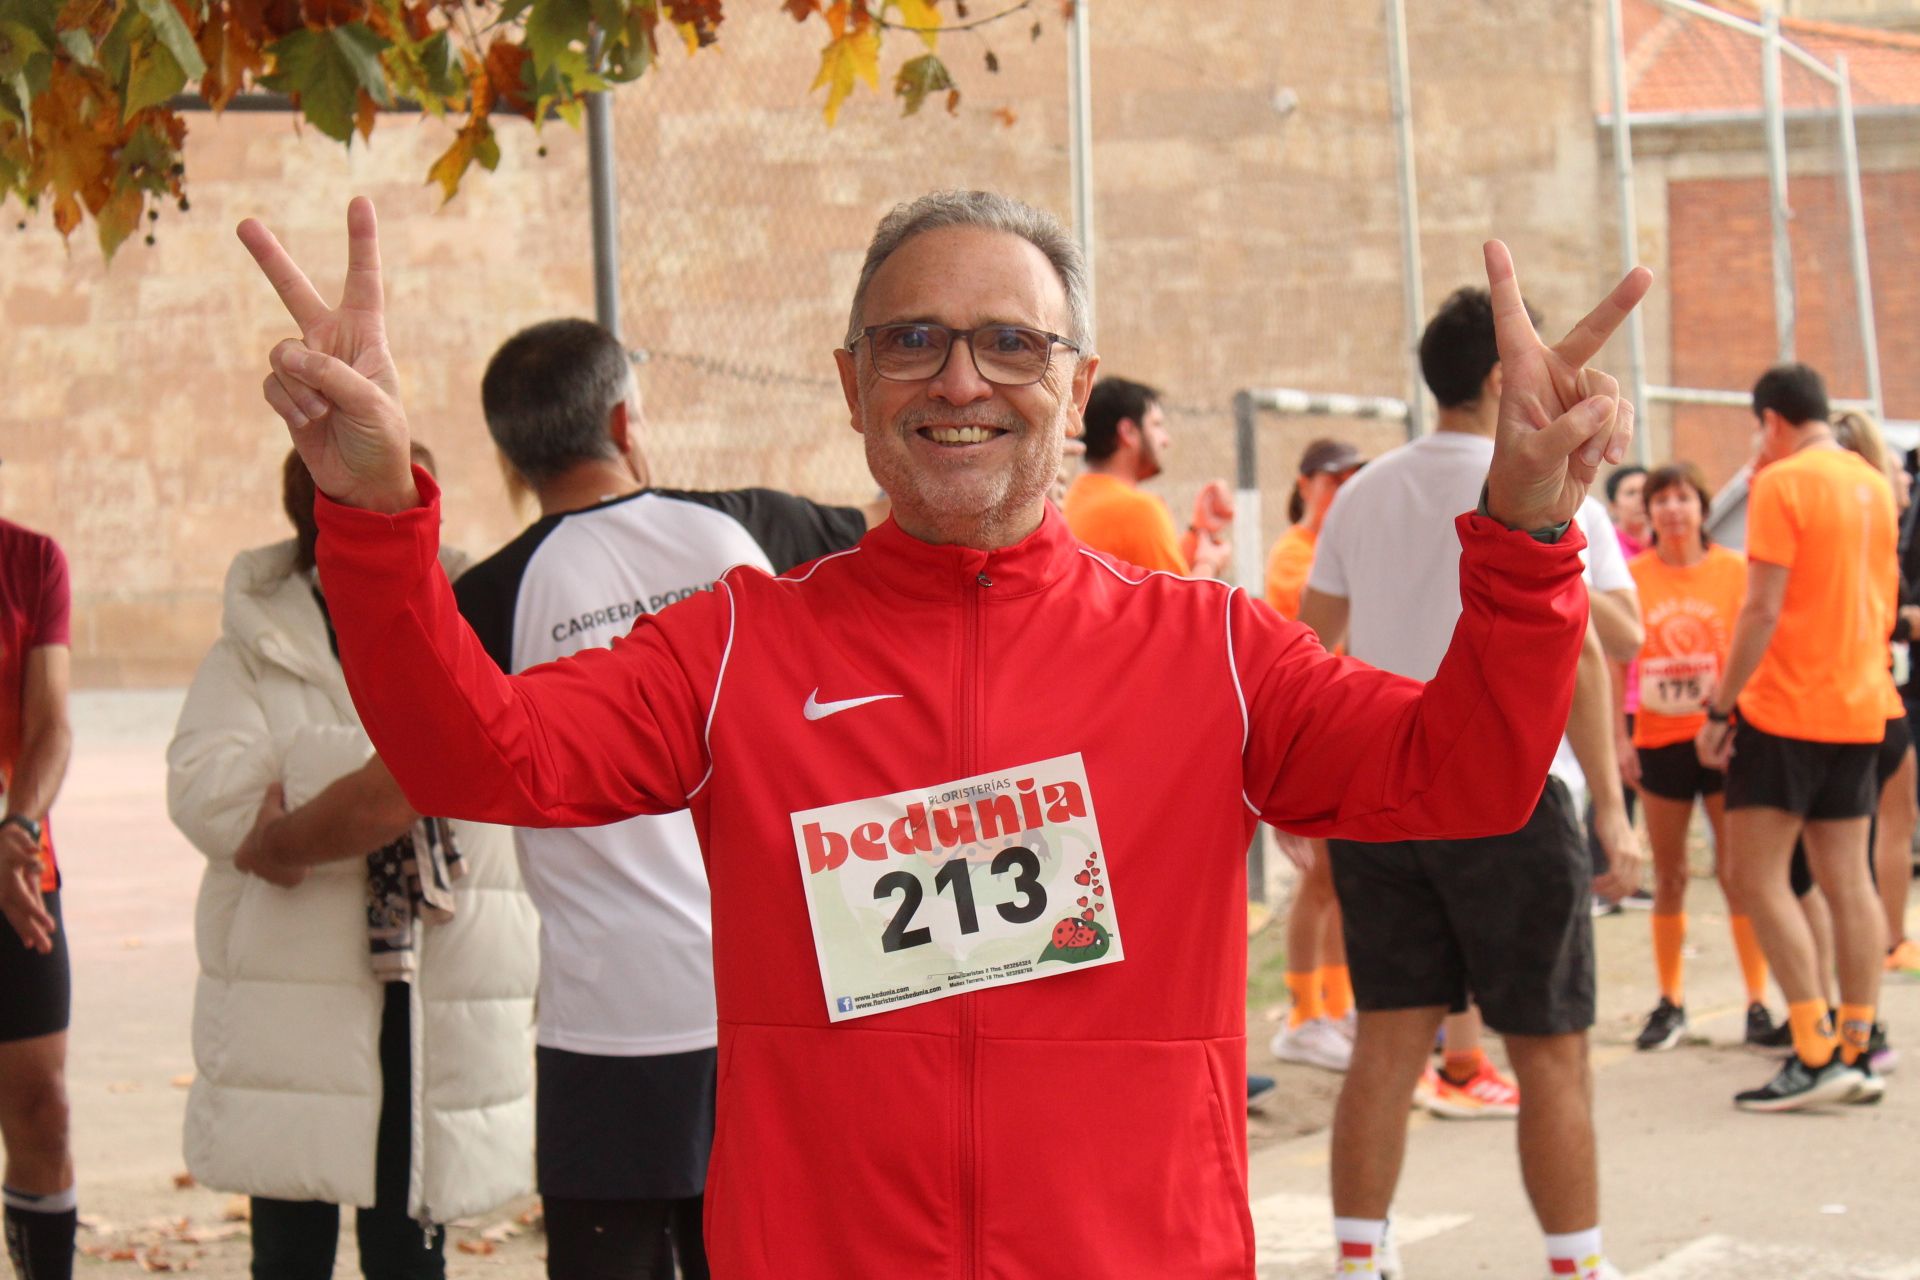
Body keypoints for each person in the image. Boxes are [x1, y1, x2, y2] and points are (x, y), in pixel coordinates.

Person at [238, 190, 1647, 1278]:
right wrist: (373, 516)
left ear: (1074, 386)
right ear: (851, 387)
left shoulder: (1208, 651)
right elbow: (478, 758)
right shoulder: (738, 645)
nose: (959, 380)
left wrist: (1528, 533)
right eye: (910, 341)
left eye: (1009, 343)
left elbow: (1462, 775)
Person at [457, 318, 869, 1278]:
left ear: (511, 457)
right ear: (624, 419)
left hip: (609, 1020)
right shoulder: (755, 526)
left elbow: (410, 775)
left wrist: (283, 839)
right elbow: (889, 544)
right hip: (782, 996)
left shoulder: (489, 597)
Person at [1300, 285, 1644, 1280]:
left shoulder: (1362, 491)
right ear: (1505, 374)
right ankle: (1575, 1263)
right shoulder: (1542, 476)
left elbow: (1312, 644)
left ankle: (1360, 1258)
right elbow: (1608, 638)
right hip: (1512, 788)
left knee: (1388, 1041)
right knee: (1549, 1047)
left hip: (1378, 782)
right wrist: (1612, 813)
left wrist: (1305, 782)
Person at [166, 448, 539, 1279]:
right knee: (289, 1246)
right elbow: (210, 795)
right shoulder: (256, 641)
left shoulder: (470, 612)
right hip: (293, 995)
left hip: (434, 983)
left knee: (410, 1247)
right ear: (314, 513)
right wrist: (396, 771)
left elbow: (506, 757)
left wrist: (304, 784)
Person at [1696, 363, 1894, 1112]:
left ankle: (1813, 1049)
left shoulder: (1782, 483)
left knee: (1756, 876)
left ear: (1772, 420)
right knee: (1849, 879)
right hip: (1859, 702)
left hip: (1786, 708)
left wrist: (1720, 711)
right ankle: (1857, 1041)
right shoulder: (1872, 480)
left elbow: (1762, 608)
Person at [1623, 463, 1780, 1051]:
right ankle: (1671, 1001)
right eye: (1661, 500)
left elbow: (1758, 645)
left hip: (1724, 738)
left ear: (1701, 506)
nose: (1671, 509)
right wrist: (1620, 738)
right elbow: (1617, 662)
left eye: (1683, 498)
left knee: (1737, 875)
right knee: (1668, 874)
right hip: (1660, 739)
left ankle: (1759, 1003)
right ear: (1650, 514)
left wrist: (1748, 722)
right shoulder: (1635, 577)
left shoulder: (1734, 571)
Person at [1264, 440, 1366, 1075]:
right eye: (1335, 481)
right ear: (1305, 485)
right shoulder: (1295, 553)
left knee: (1340, 881)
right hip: (1307, 728)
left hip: (1339, 725)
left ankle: (1335, 1003)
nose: (1345, 491)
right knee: (1320, 879)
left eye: (1354, 480)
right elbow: (1310, 639)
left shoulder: (1340, 546)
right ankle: (1304, 1015)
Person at [0, 514, 75, 1280]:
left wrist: (16, 825)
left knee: (44, 1114)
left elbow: (51, 722)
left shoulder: (31, 560)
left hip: (17, 872)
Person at [1063, 376, 1233, 578]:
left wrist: (1199, 532)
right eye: (1157, 425)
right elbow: (1180, 606)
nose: (1166, 440)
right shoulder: (1137, 510)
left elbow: (1162, 580)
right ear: (1128, 432)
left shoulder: (1073, 500)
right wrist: (1209, 563)